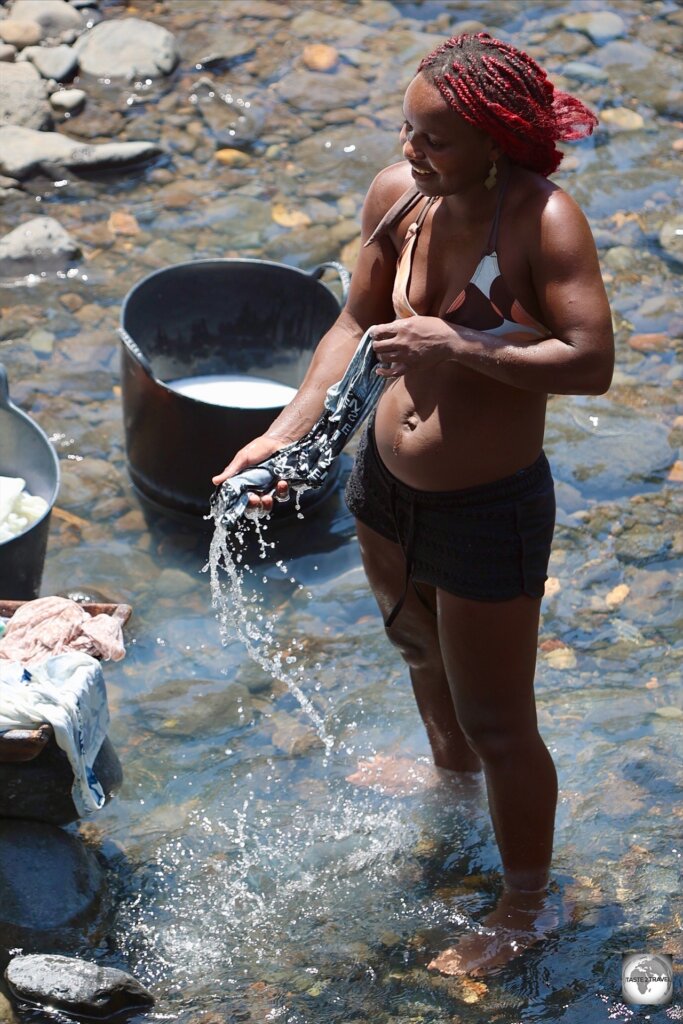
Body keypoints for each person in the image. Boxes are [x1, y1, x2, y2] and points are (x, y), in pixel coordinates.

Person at [213, 32, 614, 975]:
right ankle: (449, 786)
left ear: (494, 142)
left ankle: (526, 905)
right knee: (416, 652)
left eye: (432, 138)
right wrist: (285, 433)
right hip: (385, 489)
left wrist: (460, 347)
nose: (409, 150)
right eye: (405, 128)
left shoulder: (542, 221)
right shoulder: (400, 198)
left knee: (501, 720)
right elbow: (354, 319)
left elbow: (591, 363)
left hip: (487, 510)